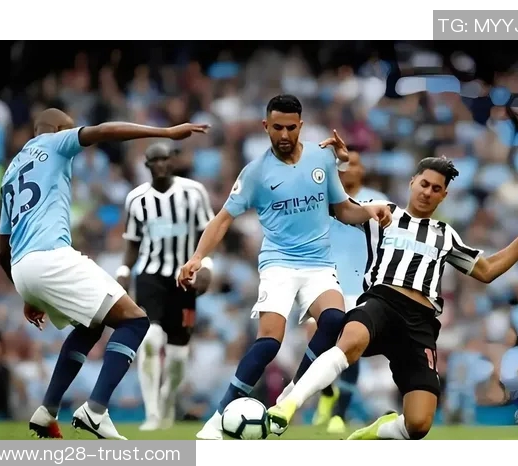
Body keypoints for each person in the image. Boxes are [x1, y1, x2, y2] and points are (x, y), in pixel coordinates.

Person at [267, 156, 518, 440]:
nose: (428, 192)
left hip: (420, 322)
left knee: (418, 424)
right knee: (350, 341)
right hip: (383, 300)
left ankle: (379, 430)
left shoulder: (445, 235)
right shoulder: (384, 213)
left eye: (436, 188)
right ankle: (288, 405)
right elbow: (340, 208)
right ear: (412, 182)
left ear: (444, 195)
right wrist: (329, 165)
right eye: (424, 184)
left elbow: (486, 270)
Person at [177, 94, 389, 440]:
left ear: (301, 125)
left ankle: (293, 392)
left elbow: (342, 210)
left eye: (291, 127)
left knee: (334, 320)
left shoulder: (322, 159)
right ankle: (215, 420)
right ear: (266, 126)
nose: (285, 134)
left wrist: (369, 210)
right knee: (269, 343)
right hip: (279, 264)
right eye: (278, 127)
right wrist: (198, 256)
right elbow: (223, 219)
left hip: (319, 263)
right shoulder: (256, 173)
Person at [0, 108, 209, 440]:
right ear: (58, 129)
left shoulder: (10, 172)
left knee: (90, 325)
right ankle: (95, 411)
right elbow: (103, 129)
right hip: (50, 256)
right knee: (135, 321)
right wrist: (165, 133)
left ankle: (47, 411)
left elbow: (2, 252)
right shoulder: (54, 142)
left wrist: (28, 293)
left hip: (23, 268)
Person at [277, 148, 388, 434]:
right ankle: (327, 392)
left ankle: (339, 412)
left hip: (361, 286)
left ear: (362, 171)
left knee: (350, 347)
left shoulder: (377, 201)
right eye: (345, 165)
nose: (350, 169)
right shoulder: (320, 199)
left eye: (356, 165)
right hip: (324, 282)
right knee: (317, 336)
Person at [117, 142, 215, 431]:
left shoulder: (194, 192)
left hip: (184, 278)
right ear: (147, 165)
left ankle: (167, 399)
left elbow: (207, 233)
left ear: (173, 161)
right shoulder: (136, 198)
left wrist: (207, 266)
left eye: (165, 159)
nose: (160, 164)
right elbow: (132, 241)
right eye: (155, 160)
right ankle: (151, 413)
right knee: (149, 340)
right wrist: (124, 271)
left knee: (178, 357)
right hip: (150, 276)